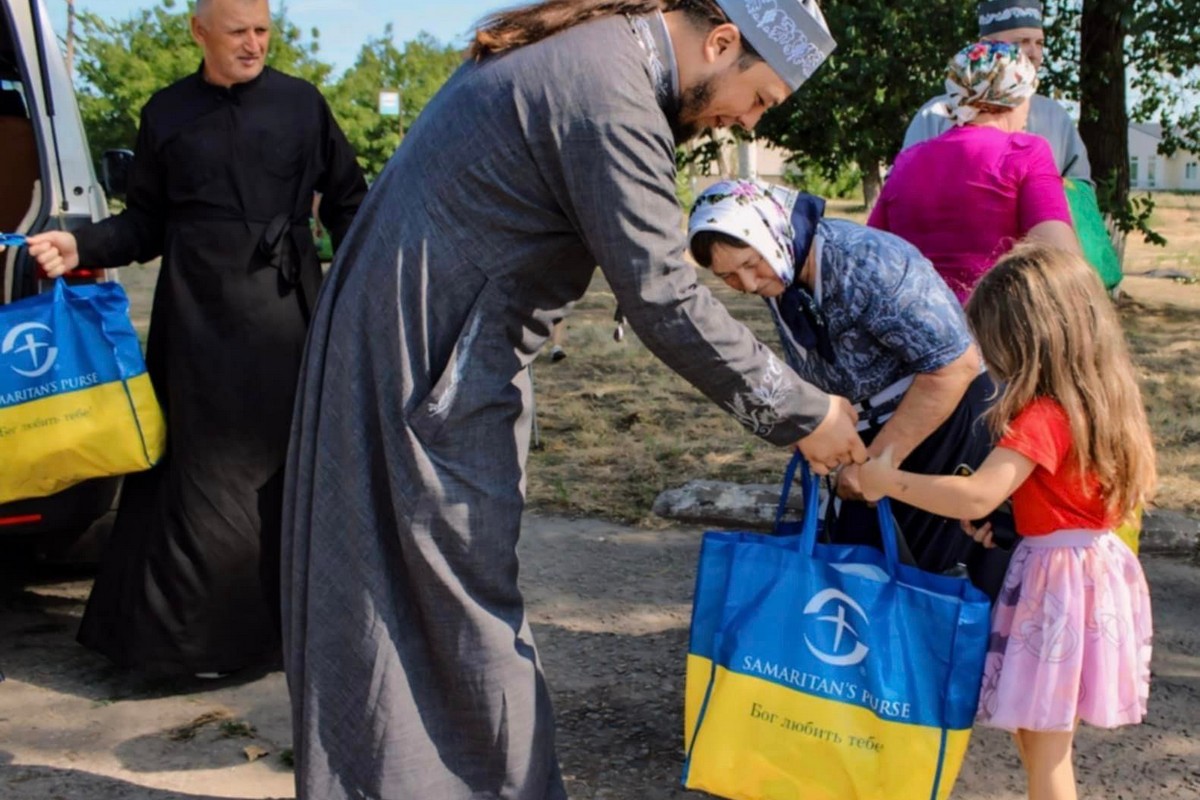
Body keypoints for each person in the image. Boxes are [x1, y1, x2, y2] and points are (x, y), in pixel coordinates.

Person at [281, 1, 866, 797]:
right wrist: (808, 413)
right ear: (722, 43)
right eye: (756, 99)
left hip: (417, 341)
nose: (743, 120)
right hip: (428, 360)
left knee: (410, 594)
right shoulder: (610, 93)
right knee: (459, 609)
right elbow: (662, 294)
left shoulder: (598, 57)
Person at [24, 0, 367, 677]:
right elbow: (144, 224)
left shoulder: (302, 104)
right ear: (199, 31)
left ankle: (283, 638)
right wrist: (79, 242)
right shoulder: (167, 113)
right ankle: (181, 648)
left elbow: (353, 202)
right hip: (196, 322)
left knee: (279, 475)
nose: (253, 45)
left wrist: (364, 292)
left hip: (284, 317)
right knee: (195, 479)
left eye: (263, 31)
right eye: (238, 31)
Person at [860, 243, 1155, 800]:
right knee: (1044, 740)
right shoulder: (1105, 399)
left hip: (1057, 590)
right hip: (1094, 568)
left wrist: (886, 481)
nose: (989, 360)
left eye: (994, 345)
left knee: (1044, 750)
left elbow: (975, 496)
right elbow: (1081, 500)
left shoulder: (1043, 414)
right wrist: (1020, 521)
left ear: (1027, 342)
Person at [688, 179, 1011, 595]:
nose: (748, 284)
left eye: (751, 265)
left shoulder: (869, 264)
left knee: (930, 585)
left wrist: (871, 467)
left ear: (772, 233)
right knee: (861, 574)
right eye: (729, 277)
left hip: (942, 422)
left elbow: (953, 367)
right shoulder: (784, 264)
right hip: (874, 426)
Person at [869, 39, 1077, 302]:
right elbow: (1063, 261)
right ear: (1015, 94)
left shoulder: (907, 161)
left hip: (916, 331)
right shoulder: (1026, 153)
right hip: (997, 330)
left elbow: (872, 252)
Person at [903, 0, 1091, 184]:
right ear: (986, 47)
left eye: (1039, 43)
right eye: (1023, 42)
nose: (1034, 53)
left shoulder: (1055, 117)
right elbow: (900, 188)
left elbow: (1082, 191)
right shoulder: (934, 115)